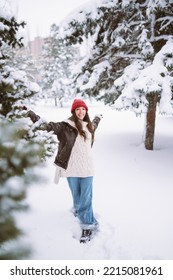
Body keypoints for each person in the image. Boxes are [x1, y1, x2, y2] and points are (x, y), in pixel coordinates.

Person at [25, 99, 102, 243]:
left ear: (86, 111)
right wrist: (30, 113)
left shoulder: (90, 126)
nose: (81, 112)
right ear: (73, 111)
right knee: (77, 197)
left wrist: (98, 117)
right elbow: (46, 126)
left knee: (86, 197)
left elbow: (96, 123)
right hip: (71, 168)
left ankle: (88, 225)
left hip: (87, 168)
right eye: (78, 109)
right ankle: (80, 212)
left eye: (83, 109)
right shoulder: (65, 126)